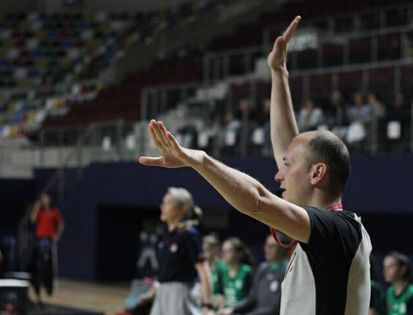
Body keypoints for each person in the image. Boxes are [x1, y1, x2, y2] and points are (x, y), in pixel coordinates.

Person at [139, 15, 372, 315]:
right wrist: (278, 73)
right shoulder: (322, 230)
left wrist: (199, 160)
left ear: (317, 173)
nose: (278, 174)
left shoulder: (339, 229)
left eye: (287, 167)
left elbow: (257, 201)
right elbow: (290, 148)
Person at [137, 187, 212, 315]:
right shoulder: (166, 235)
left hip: (181, 293)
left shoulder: (189, 234)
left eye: (168, 203)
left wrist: (207, 305)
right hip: (162, 294)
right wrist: (151, 293)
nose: (163, 207)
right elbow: (164, 274)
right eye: (163, 202)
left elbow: (204, 271)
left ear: (182, 208)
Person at [217, 234, 288, 315]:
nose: (267, 249)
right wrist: (232, 309)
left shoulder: (286, 271)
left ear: (283, 248)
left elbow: (276, 307)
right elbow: (252, 297)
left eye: (272, 246)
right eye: (266, 245)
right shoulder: (263, 269)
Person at [29, 193, 65, 298]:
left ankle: (52, 281)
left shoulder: (54, 212)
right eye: (42, 198)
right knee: (38, 263)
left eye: (46, 198)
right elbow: (32, 219)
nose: (44, 200)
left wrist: (57, 235)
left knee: (51, 261)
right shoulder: (40, 212)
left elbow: (61, 224)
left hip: (48, 240)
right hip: (39, 239)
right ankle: (39, 282)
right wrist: (36, 207)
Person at [214, 237, 254, 309]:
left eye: (228, 251)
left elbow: (251, 299)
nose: (223, 254)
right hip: (225, 311)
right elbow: (221, 293)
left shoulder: (247, 271)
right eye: (223, 251)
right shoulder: (222, 271)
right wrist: (219, 300)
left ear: (239, 254)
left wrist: (233, 309)